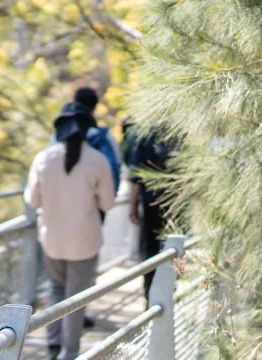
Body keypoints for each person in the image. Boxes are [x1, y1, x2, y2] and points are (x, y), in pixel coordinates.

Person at [25, 107, 116, 360]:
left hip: (52, 239)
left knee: (55, 288)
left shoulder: (43, 159)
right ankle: (70, 352)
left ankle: (52, 344)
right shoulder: (98, 160)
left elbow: (32, 200)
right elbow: (107, 204)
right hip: (85, 239)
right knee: (76, 297)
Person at [126, 128, 176, 304]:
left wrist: (132, 206)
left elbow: (135, 176)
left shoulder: (144, 137)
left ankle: (150, 296)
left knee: (149, 250)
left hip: (150, 201)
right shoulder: (177, 133)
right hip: (174, 202)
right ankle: (168, 294)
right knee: (173, 248)